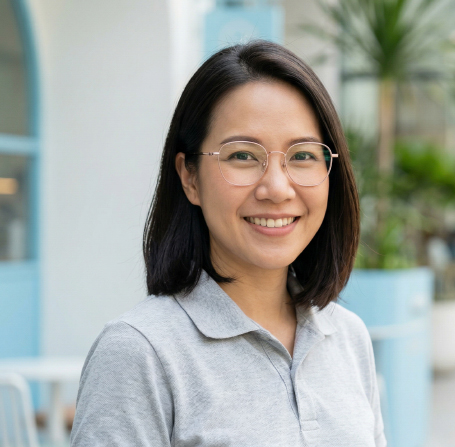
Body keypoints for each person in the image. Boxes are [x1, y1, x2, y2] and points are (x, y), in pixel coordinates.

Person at [71, 41, 386, 446]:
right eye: (242, 156)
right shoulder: (140, 352)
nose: (276, 188)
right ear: (190, 177)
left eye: (303, 155)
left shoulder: (347, 336)